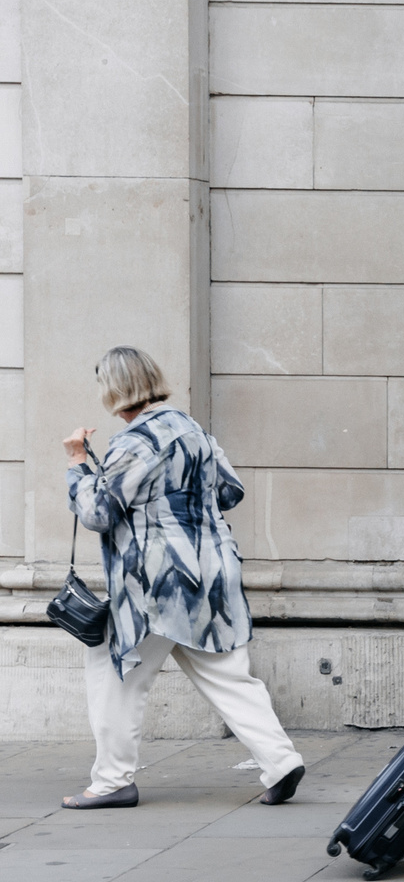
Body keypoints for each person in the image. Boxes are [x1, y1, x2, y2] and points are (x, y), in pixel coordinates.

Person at [59, 347, 304, 810]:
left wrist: (77, 464)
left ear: (115, 387)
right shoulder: (193, 430)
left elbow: (98, 512)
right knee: (227, 674)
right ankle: (281, 760)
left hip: (156, 583)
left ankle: (112, 781)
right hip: (212, 571)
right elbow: (231, 490)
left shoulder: (135, 441)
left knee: (114, 673)